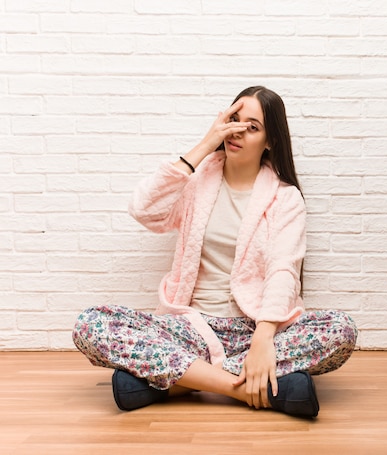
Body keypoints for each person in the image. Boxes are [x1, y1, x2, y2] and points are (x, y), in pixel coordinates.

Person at [72, 86, 358, 418]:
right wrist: (206, 144)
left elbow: (284, 269)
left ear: (270, 141)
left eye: (252, 127)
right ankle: (241, 387)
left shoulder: (285, 198)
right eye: (233, 119)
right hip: (190, 329)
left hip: (255, 328)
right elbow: (144, 209)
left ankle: (180, 379)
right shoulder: (196, 182)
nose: (237, 131)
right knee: (91, 323)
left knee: (341, 328)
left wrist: (263, 340)